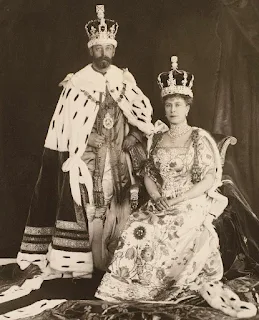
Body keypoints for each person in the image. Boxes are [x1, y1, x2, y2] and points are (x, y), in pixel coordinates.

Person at [95, 56, 257, 318]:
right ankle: (134, 286)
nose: (172, 110)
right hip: (163, 198)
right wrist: (157, 196)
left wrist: (180, 198)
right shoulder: (157, 138)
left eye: (177, 105)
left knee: (173, 227)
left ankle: (168, 286)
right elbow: (149, 173)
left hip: (191, 199)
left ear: (187, 107)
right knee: (139, 225)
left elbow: (207, 179)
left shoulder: (198, 137)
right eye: (168, 105)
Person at [16, 4, 154, 280]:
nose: (103, 55)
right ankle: (85, 265)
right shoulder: (76, 84)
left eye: (108, 49)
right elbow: (65, 128)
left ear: (113, 50)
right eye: (98, 49)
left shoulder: (123, 80)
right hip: (87, 160)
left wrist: (134, 136)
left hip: (119, 160)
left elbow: (142, 117)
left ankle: (117, 262)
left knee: (121, 206)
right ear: (90, 49)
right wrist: (82, 145)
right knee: (89, 207)